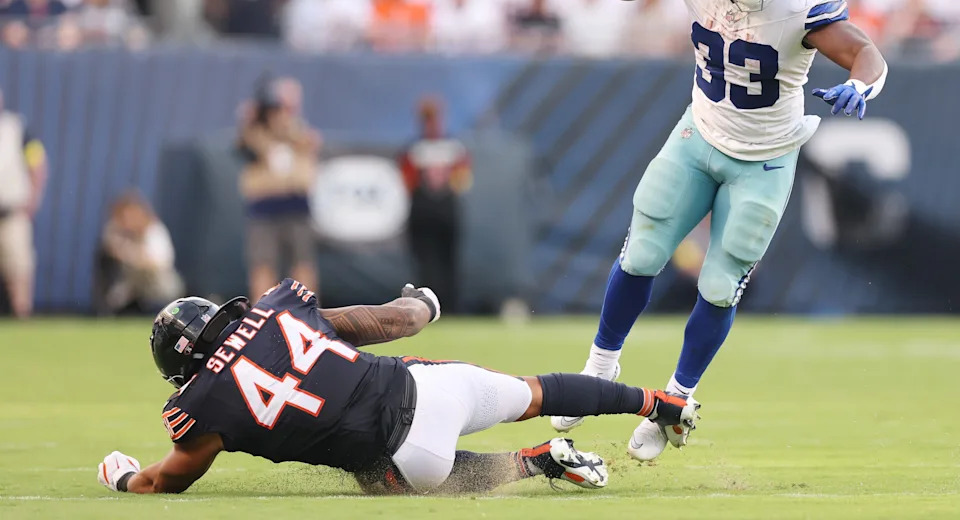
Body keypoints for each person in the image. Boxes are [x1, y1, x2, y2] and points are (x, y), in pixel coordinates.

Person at [558, 0, 888, 462]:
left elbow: (864, 51)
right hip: (699, 135)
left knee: (720, 281)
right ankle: (600, 367)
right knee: (642, 251)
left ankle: (676, 402)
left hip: (766, 158)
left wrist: (863, 82)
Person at [96, 277, 699, 495]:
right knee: (535, 392)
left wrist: (123, 475)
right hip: (436, 389)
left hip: (410, 463)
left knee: (379, 478)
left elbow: (165, 481)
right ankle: (655, 401)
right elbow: (387, 322)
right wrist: (422, 305)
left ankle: (530, 465)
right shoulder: (279, 311)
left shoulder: (201, 405)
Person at [237, 76, 321, 302]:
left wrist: (282, 122)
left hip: (295, 201)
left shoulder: (299, 131)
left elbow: (306, 143)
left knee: (302, 262)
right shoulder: (254, 131)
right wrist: (254, 119)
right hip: (264, 205)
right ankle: (262, 313)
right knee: (263, 264)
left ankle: (307, 311)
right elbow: (246, 145)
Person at [398, 98, 471, 312]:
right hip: (435, 207)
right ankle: (440, 306)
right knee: (433, 261)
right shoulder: (447, 147)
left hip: (432, 207)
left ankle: (439, 307)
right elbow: (463, 179)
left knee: (438, 260)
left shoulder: (417, 148)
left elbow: (407, 181)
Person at [96, 190, 184, 315]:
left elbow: (158, 263)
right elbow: (110, 247)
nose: (127, 221)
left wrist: (131, 254)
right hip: (130, 287)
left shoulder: (154, 230)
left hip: (159, 287)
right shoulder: (116, 230)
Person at [0, 88, 46, 318]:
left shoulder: (16, 128)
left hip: (11, 212)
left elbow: (37, 161)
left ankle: (22, 315)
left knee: (19, 267)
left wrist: (33, 198)